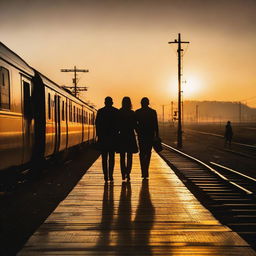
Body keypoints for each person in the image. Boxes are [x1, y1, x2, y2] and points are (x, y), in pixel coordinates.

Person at [95, 97, 119, 181]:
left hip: (103, 138)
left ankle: (105, 175)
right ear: (112, 103)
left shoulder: (100, 111)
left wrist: (98, 136)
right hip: (113, 138)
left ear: (105, 103)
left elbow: (97, 124)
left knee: (104, 158)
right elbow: (118, 125)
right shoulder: (116, 111)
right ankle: (111, 175)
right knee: (112, 157)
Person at [135, 97, 159, 179]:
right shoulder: (152, 112)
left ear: (141, 103)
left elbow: (135, 124)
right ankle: (146, 171)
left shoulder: (137, 112)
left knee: (142, 153)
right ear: (148, 103)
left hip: (141, 135)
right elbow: (156, 125)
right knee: (148, 153)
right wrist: (157, 135)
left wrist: (138, 131)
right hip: (150, 135)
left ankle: (143, 171)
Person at [117, 97, 138, 181]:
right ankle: (128, 173)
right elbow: (135, 125)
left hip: (122, 136)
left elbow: (117, 125)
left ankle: (123, 173)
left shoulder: (119, 112)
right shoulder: (132, 113)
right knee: (130, 156)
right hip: (130, 136)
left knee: (122, 156)